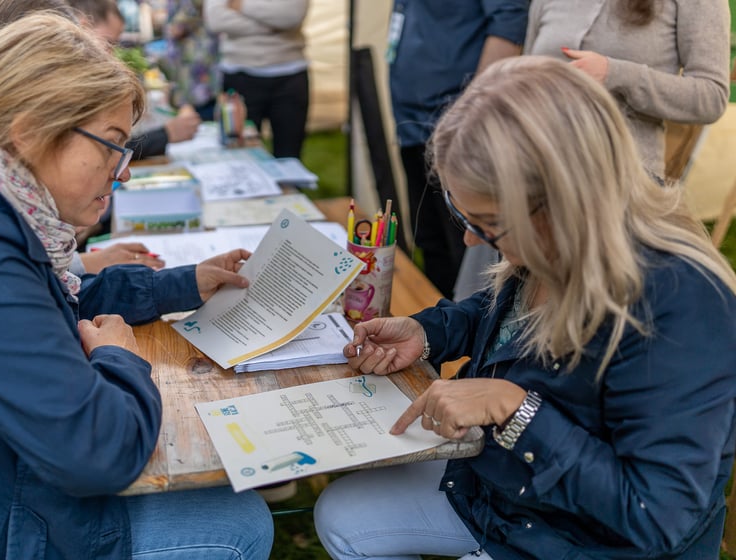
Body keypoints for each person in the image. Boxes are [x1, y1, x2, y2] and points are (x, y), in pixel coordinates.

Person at [313, 56, 736, 559]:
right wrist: (428, 333)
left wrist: (517, 410)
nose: (471, 239)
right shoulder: (559, 245)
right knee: (343, 516)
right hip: (512, 495)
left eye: (489, 224)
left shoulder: (681, 304)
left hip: (583, 541)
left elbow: (657, 516)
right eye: (459, 211)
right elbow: (510, 321)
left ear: (564, 204)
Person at [0, 13, 273, 558]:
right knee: (236, 525)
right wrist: (121, 361)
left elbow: (50, 301)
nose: (123, 172)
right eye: (112, 144)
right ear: (29, 132)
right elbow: (101, 455)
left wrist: (181, 284)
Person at [387, 0, 528, 299]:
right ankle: (440, 333)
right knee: (429, 239)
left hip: (455, 128)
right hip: (412, 123)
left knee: (465, 247)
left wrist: (473, 114)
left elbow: (510, 21)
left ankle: (466, 336)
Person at [524, 0, 730, 178]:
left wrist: (615, 74)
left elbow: (712, 96)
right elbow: (524, 81)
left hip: (624, 186)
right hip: (536, 172)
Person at [73, 0, 202, 159]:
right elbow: (103, 151)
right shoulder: (71, 84)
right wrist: (166, 134)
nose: (113, 54)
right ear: (84, 28)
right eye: (109, 42)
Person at [204, 0, 309, 159]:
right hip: (239, 74)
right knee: (238, 152)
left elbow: (293, 15)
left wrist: (240, 5)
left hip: (289, 74)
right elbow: (215, 19)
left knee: (289, 156)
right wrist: (272, 25)